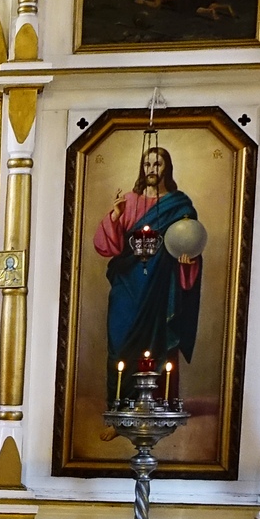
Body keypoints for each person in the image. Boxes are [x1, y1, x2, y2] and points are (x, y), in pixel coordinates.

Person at [96, 144, 202, 405]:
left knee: (157, 346)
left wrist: (187, 262)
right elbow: (107, 246)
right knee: (119, 344)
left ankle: (155, 407)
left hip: (159, 288)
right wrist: (115, 217)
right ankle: (118, 409)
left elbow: (189, 241)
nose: (152, 169)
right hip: (127, 283)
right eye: (148, 164)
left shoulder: (180, 205)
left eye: (158, 164)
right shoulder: (129, 202)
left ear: (167, 168)